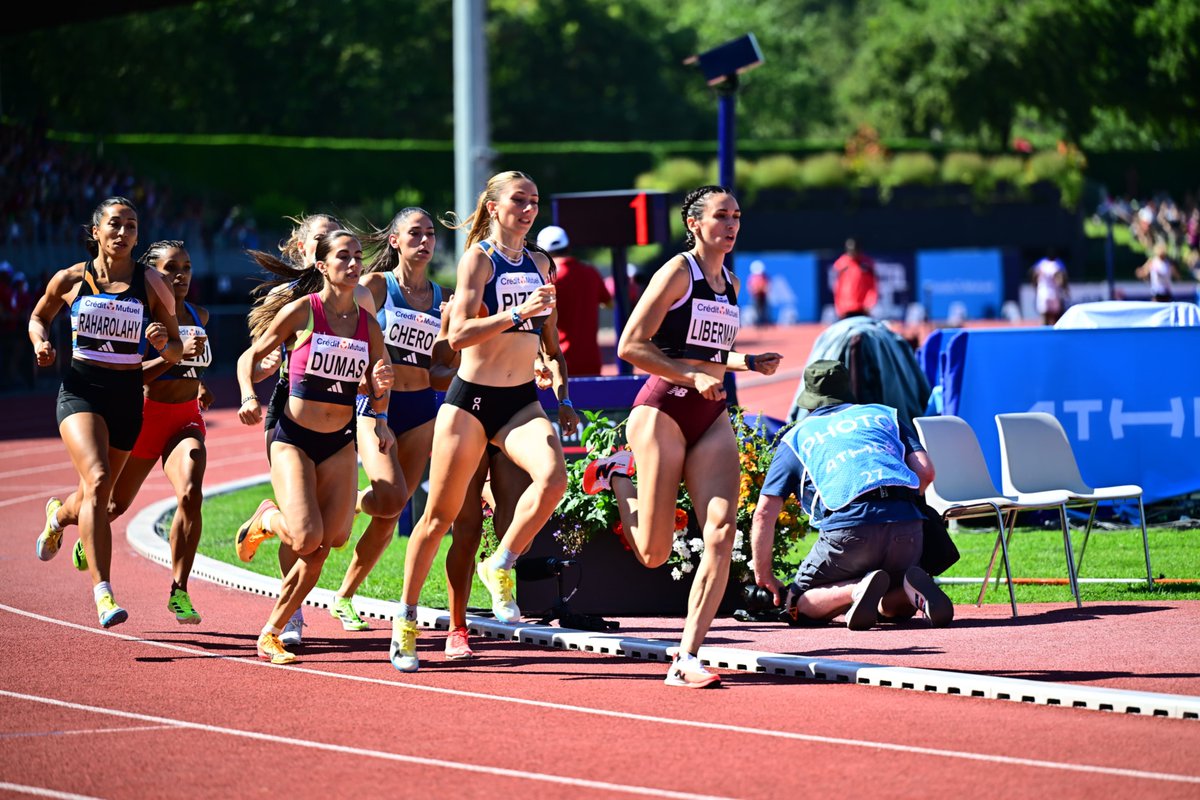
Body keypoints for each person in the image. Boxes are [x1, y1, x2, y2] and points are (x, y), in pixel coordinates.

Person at [583, 185, 782, 688]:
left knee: (721, 532)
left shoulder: (731, 281)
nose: (731, 224)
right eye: (720, 216)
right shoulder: (677, 272)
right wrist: (693, 378)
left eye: (737, 215)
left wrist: (745, 362)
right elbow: (631, 345)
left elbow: (703, 351)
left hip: (709, 417)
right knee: (653, 553)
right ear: (694, 224)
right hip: (662, 412)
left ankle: (686, 656)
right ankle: (617, 474)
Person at [390, 170, 567, 673]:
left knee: (554, 478)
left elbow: (548, 336)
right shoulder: (478, 259)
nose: (529, 208)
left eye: (535, 200)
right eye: (519, 200)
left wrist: (550, 364)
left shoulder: (539, 263)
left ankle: (502, 562)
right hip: (470, 401)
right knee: (439, 518)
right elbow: (461, 334)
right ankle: (406, 620)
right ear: (493, 207)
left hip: (519, 398)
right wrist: (516, 315)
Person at [233, 229, 394, 664]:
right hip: (294, 438)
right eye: (343, 256)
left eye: (358, 256)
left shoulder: (367, 323)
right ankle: (269, 522)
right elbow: (250, 356)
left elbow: (379, 379)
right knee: (308, 539)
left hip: (340, 441)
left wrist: (379, 405)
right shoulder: (304, 310)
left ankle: (272, 630)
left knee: (334, 538)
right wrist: (249, 395)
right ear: (321, 265)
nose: (354, 263)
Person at [30, 197, 182, 628]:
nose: (123, 232)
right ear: (95, 231)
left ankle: (58, 515)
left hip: (127, 398)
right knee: (96, 479)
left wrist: (160, 344)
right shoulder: (72, 279)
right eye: (114, 224)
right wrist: (40, 342)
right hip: (80, 391)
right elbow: (38, 318)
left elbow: (175, 347)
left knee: (99, 498)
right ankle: (103, 594)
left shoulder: (151, 283)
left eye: (131, 226)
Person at [54, 240, 212, 623]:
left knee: (191, 493)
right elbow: (126, 379)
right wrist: (168, 353)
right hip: (142, 415)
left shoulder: (199, 314)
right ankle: (63, 518)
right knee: (111, 505)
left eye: (187, 267)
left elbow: (191, 366)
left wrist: (200, 383)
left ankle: (179, 590)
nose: (180, 275)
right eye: (171, 268)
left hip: (185, 420)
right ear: (152, 274)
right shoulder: (136, 313)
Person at [328, 207, 458, 631]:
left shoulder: (443, 297)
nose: (424, 241)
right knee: (388, 499)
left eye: (430, 234)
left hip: (421, 406)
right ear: (395, 241)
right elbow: (345, 335)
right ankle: (348, 505)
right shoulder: (376, 287)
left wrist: (453, 345)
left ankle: (345, 596)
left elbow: (439, 370)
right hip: (374, 406)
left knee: (393, 507)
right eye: (414, 233)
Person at [749, 360, 952, 630]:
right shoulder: (884, 415)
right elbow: (926, 472)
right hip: (908, 528)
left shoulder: (795, 438)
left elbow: (764, 513)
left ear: (809, 402)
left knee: (797, 605)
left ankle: (856, 590)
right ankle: (909, 590)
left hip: (849, 531)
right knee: (889, 604)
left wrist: (763, 574)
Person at [440, 302, 579, 660]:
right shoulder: (469, 297)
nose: (541, 275)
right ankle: (458, 628)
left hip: (513, 414)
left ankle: (498, 564)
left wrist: (561, 395)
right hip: (469, 413)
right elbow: (438, 367)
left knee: (516, 533)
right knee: (467, 531)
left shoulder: (543, 301)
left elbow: (553, 354)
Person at [236, 212, 343, 646]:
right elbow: (256, 357)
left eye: (334, 239)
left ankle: (269, 523)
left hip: (341, 418)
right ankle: (292, 612)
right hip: (290, 416)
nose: (328, 245)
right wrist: (254, 384)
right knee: (304, 530)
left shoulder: (353, 292)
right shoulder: (288, 297)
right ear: (302, 248)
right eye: (319, 239)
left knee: (330, 535)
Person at [535, 224, 611, 376]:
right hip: (591, 360)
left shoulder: (547, 279)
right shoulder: (591, 272)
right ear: (568, 246)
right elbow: (608, 303)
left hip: (557, 362)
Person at [832, 238, 877, 320]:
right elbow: (837, 287)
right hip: (845, 309)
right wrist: (839, 307)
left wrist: (869, 303)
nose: (852, 252)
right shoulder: (841, 264)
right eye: (849, 250)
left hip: (862, 308)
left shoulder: (866, 264)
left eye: (854, 249)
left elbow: (872, 286)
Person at [1030, 249, 1069, 325]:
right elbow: (1060, 280)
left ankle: (1044, 334)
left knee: (1044, 316)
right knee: (1056, 317)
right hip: (1053, 294)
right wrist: (1065, 288)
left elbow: (1034, 274)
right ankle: (1056, 334)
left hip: (1043, 293)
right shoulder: (1056, 264)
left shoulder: (1041, 264)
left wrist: (1035, 286)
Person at [748, 260, 771, 327]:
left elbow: (767, 286)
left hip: (763, 295)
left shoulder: (764, 276)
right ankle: (757, 323)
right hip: (756, 296)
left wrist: (764, 290)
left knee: (764, 310)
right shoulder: (752, 277)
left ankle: (764, 322)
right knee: (756, 309)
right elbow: (750, 287)